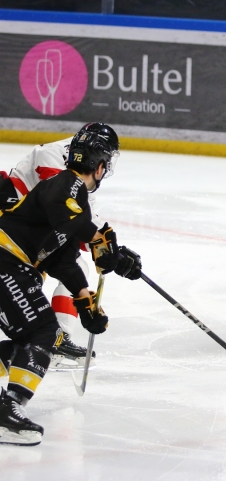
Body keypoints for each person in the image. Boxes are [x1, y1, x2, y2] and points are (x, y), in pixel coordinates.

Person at [0, 126, 142, 445]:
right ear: (102, 164)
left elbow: (63, 258)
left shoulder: (75, 192)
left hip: (13, 264)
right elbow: (63, 213)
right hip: (6, 261)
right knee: (42, 334)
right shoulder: (63, 182)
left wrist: (83, 301)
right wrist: (102, 245)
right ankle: (5, 412)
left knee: (35, 339)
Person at [0, 124, 118, 369]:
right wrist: (101, 244)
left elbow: (77, 224)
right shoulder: (60, 161)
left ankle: (55, 339)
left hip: (22, 232)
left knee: (69, 267)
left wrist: (112, 254)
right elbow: (66, 214)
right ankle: (52, 339)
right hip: (10, 226)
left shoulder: (79, 166)